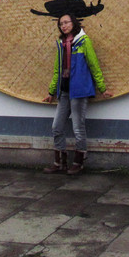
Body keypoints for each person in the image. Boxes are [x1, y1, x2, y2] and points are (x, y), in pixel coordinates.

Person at [42, 13, 112, 175]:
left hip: (79, 91)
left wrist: (102, 88)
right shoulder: (61, 44)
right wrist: (51, 91)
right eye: (61, 24)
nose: (64, 26)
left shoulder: (84, 41)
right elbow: (57, 70)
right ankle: (59, 162)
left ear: (74, 23)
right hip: (64, 91)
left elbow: (94, 65)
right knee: (56, 127)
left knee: (78, 128)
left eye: (66, 22)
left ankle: (79, 162)